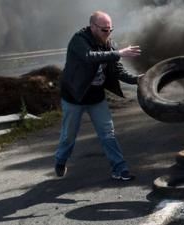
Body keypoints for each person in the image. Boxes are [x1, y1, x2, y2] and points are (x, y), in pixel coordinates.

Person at [54, 11, 141, 181]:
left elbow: (117, 70)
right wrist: (119, 53)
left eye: (110, 30)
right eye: (104, 30)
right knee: (68, 136)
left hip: (96, 98)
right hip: (75, 97)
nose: (108, 33)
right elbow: (89, 57)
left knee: (108, 134)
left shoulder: (109, 44)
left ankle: (120, 169)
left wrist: (137, 80)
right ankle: (60, 160)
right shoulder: (79, 40)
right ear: (93, 27)